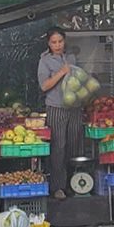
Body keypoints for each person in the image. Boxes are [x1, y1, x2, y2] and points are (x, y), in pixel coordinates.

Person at [37, 28, 81, 200]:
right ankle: (58, 187)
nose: (57, 45)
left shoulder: (71, 57)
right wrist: (62, 72)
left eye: (60, 41)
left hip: (74, 107)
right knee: (58, 147)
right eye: (54, 42)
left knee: (74, 145)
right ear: (48, 43)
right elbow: (44, 86)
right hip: (56, 107)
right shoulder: (45, 61)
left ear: (64, 41)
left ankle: (74, 183)